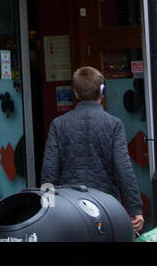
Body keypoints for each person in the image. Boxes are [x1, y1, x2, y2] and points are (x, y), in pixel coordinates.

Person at [41, 65, 144, 233]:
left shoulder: (58, 125)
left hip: (70, 208)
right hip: (106, 205)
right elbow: (123, 168)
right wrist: (135, 209)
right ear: (102, 91)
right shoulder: (114, 124)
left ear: (75, 93)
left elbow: (49, 171)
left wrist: (48, 208)